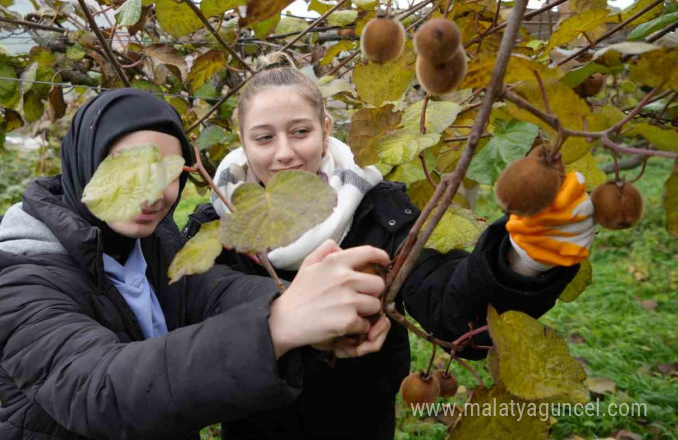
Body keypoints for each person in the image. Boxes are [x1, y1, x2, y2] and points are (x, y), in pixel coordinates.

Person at [183, 54, 596, 439]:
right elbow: (192, 329)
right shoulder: (214, 229)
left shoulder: (378, 210)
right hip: (255, 423)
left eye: (300, 132)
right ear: (242, 141)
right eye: (264, 137)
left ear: (326, 132)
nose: (285, 153)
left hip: (358, 420)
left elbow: (448, 305)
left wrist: (522, 260)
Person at [0, 88, 395, 440]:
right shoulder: (18, 275)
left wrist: (303, 311)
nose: (154, 194)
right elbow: (98, 390)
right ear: (85, 162)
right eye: (130, 169)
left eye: (168, 172)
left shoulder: (151, 242)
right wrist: (278, 325)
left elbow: (213, 293)